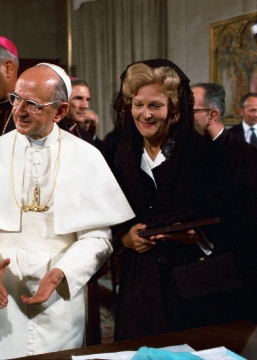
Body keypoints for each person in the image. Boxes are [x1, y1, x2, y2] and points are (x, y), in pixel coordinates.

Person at [0, 63, 134, 359]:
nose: (18, 111)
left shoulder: (86, 156)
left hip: (58, 296)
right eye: (16, 99)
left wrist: (63, 272)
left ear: (60, 112)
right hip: (0, 292)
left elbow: (98, 237)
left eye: (32, 104)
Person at [110, 59, 233, 341]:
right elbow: (104, 214)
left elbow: (230, 218)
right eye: (138, 104)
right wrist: (124, 238)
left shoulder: (203, 155)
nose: (145, 114)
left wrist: (198, 235)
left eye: (156, 105)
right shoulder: (120, 155)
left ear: (175, 112)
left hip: (189, 277)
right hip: (139, 281)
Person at [192, 82, 257, 322]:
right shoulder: (193, 149)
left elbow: (246, 216)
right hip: (202, 262)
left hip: (235, 263)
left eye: (190, 110)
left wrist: (202, 233)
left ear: (212, 115)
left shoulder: (244, 156)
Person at [64, 79, 95, 145]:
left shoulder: (86, 138)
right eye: (79, 98)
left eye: (87, 100)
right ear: (64, 101)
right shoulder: (48, 133)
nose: (85, 106)